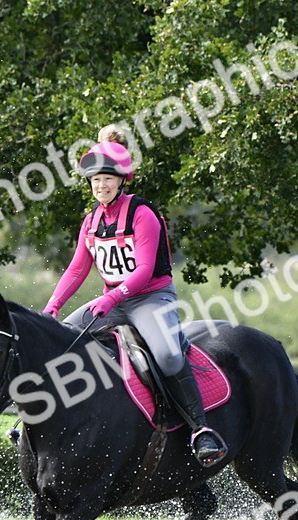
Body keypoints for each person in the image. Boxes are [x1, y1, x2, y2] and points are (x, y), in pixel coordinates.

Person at [42, 126, 228, 466]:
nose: (101, 186)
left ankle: (201, 429)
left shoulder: (142, 213)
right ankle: (42, 420)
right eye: (95, 180)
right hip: (112, 302)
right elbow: (76, 270)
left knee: (169, 357)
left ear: (122, 180)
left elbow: (143, 270)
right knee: (59, 341)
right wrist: (51, 308)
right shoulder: (90, 222)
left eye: (107, 179)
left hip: (150, 300)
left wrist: (111, 299)